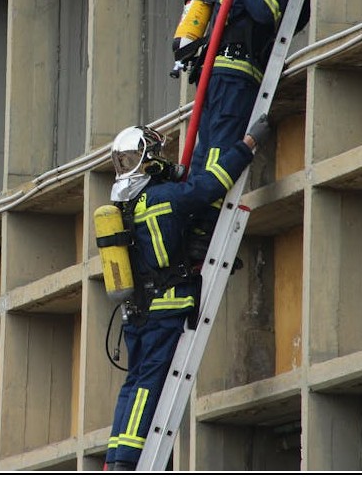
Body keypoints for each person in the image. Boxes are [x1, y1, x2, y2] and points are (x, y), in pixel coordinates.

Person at [104, 115, 272, 471]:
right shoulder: (165, 198)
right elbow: (212, 185)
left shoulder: (121, 207)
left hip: (134, 313)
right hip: (166, 309)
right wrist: (248, 145)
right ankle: (131, 459)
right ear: (146, 160)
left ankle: (116, 457)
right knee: (149, 382)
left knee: (133, 381)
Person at [185, 0, 312, 262]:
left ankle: (196, 228)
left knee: (205, 151)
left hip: (217, 77)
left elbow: (300, 14)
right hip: (235, 77)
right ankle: (205, 230)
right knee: (218, 151)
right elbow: (264, 10)